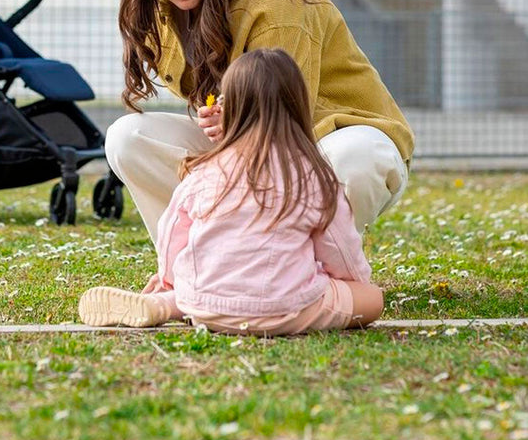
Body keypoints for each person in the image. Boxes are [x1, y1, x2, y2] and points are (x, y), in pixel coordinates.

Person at [106, 0, 414, 240]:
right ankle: (194, 268)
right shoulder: (160, 11)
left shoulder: (276, 1)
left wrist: (240, 118)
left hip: (325, 137)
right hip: (247, 146)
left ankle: (327, 276)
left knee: (356, 156)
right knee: (127, 137)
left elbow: (288, 114)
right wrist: (228, 119)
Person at [79, 48, 384, 335]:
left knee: (196, 293)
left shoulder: (204, 170)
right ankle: (186, 301)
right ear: (298, 106)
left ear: (230, 109)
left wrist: (167, 279)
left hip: (207, 308)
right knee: (372, 299)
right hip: (286, 309)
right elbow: (339, 247)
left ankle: (165, 303)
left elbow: (172, 232)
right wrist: (354, 282)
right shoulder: (311, 177)